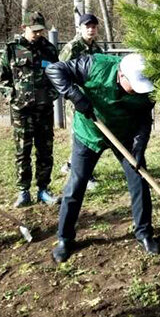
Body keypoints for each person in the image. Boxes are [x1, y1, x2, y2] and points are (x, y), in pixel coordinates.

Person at [46, 53, 158, 263]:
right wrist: (75, 95)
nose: (136, 89)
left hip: (124, 135)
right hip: (89, 133)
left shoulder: (146, 85)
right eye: (133, 85)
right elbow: (54, 70)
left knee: (139, 179)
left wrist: (139, 147)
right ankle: (64, 238)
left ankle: (144, 233)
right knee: (77, 184)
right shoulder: (94, 66)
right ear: (121, 75)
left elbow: (144, 118)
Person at [0, 11, 60, 208]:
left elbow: (57, 76)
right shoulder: (12, 49)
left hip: (44, 109)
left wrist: (51, 95)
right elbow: (3, 80)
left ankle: (43, 190)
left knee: (45, 150)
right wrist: (12, 97)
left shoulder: (49, 49)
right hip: (21, 111)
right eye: (33, 30)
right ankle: (23, 191)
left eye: (40, 30)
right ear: (23, 28)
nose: (37, 34)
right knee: (22, 151)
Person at [58, 13, 104, 189]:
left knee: (88, 134)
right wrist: (73, 94)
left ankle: (71, 164)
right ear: (80, 28)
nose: (91, 30)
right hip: (77, 99)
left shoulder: (97, 49)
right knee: (81, 137)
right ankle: (85, 175)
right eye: (87, 27)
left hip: (92, 98)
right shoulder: (72, 48)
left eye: (93, 27)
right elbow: (59, 72)